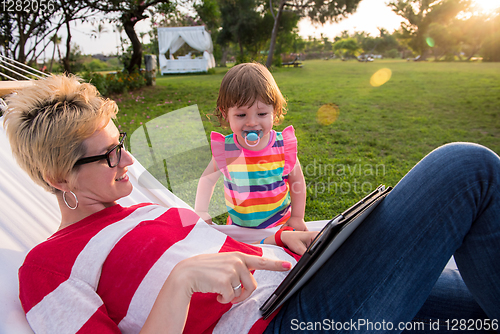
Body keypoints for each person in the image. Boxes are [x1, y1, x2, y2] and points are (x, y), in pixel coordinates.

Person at [3, 74, 499, 334]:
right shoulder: (48, 268)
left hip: (303, 281)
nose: (128, 159)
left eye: (122, 140)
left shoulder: (146, 210)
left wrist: (280, 235)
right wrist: (180, 283)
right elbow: (194, 271)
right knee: (467, 168)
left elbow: (231, 240)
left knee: (478, 311)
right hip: (282, 323)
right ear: (56, 175)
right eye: (110, 153)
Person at [195, 63, 308, 231]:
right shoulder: (226, 150)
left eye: (262, 114)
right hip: (239, 229)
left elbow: (297, 181)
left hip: (279, 225)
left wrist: (297, 217)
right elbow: (208, 180)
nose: (252, 123)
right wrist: (201, 211)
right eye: (241, 115)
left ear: (275, 111)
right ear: (225, 113)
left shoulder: (283, 146)